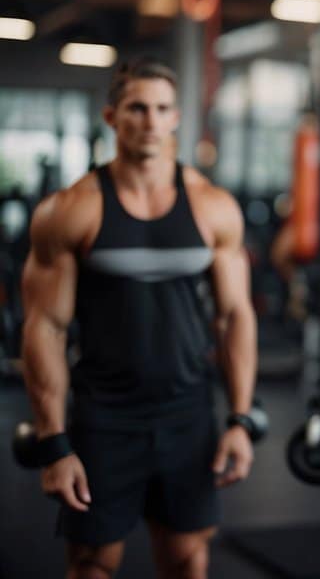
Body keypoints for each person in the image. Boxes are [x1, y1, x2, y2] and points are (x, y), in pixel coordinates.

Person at [20, 57, 258, 579]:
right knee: (91, 564)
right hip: (105, 414)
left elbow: (236, 316)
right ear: (112, 117)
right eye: (137, 109)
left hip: (188, 413)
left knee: (188, 557)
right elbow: (45, 327)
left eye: (162, 109)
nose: (151, 121)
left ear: (177, 118)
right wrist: (54, 441)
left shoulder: (213, 206)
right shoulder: (71, 209)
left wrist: (240, 419)